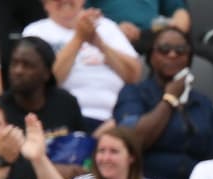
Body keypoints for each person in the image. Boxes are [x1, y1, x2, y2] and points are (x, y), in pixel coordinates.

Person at [113, 27, 213, 179]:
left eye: (180, 51)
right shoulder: (134, 94)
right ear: (151, 57)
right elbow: (133, 140)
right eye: (164, 49)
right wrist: (169, 99)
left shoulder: (203, 103)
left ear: (188, 58)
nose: (172, 54)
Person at [23, 0, 143, 131]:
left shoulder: (107, 27)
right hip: (65, 119)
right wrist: (79, 38)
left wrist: (99, 44)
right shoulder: (35, 31)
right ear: (45, 3)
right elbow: (45, 81)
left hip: (113, 119)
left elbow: (134, 76)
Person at [0, 36, 89, 179]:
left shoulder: (66, 103)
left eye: (27, 65)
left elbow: (83, 148)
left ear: (46, 73)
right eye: (14, 63)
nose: (18, 71)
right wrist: (53, 170)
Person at [86, 0, 189, 48]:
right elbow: (78, 17)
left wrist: (173, 32)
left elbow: (180, 14)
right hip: (108, 41)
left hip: (153, 39)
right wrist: (112, 30)